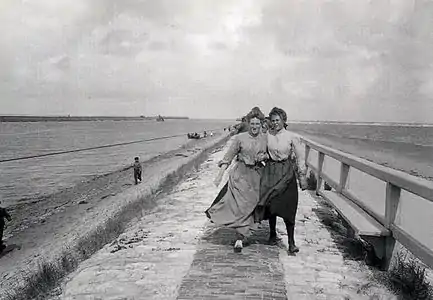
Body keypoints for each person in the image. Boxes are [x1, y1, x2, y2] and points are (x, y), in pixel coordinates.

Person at [205, 107, 268, 253]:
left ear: (261, 124)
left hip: (257, 176)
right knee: (239, 207)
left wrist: (264, 157)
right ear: (248, 123)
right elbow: (228, 157)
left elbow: (270, 155)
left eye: (257, 124)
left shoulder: (265, 138)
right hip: (240, 174)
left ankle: (244, 233)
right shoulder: (240, 138)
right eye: (252, 124)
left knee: (250, 207)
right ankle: (239, 238)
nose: (254, 127)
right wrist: (220, 175)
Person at [257, 107, 308, 254]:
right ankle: (272, 234)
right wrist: (263, 157)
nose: (275, 123)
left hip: (286, 172)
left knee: (289, 206)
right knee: (271, 203)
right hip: (271, 171)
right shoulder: (267, 135)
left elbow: (300, 157)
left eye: (277, 120)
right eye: (272, 120)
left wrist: (302, 176)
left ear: (283, 120)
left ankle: (291, 243)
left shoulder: (292, 137)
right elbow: (264, 152)